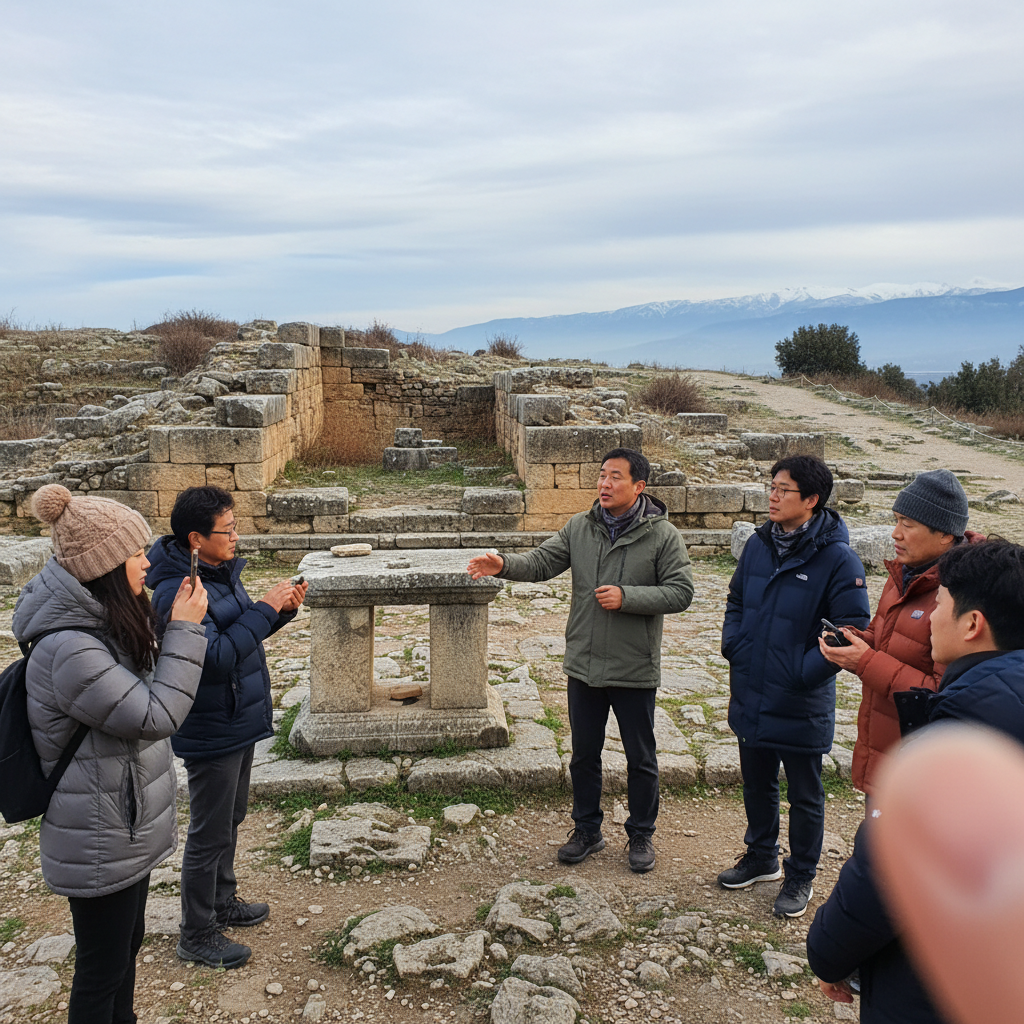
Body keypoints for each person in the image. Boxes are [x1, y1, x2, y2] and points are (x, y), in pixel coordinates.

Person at [12, 484, 209, 1024]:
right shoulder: (69, 648)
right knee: (101, 971)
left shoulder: (101, 621)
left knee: (125, 951)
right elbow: (153, 716)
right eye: (136, 554)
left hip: (120, 824)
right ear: (104, 567)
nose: (147, 563)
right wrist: (188, 632)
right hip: (97, 833)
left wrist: (170, 625)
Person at [807, 538, 1024, 1022]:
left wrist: (828, 953)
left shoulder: (962, 731)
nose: (932, 616)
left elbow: (886, 876)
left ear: (972, 624)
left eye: (941, 604)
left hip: (937, 980)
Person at [468, 448, 693, 873]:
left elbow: (681, 592)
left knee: (640, 757)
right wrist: (503, 564)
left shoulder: (664, 536)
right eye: (601, 476)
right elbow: (541, 562)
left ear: (639, 487)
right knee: (583, 754)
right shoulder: (580, 527)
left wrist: (629, 597)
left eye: (615, 477)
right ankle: (587, 829)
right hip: (584, 665)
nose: (604, 484)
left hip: (633, 667)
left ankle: (641, 833)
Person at [146, 486, 307, 969]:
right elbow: (211, 659)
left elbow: (239, 638)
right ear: (196, 539)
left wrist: (280, 611)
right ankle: (197, 932)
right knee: (209, 831)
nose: (237, 536)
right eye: (228, 530)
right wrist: (263, 608)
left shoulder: (217, 573)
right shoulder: (180, 591)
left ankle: (222, 901)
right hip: (211, 723)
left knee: (230, 819)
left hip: (237, 715)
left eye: (236, 526)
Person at [718, 455, 870, 918]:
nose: (773, 495)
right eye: (772, 486)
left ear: (811, 500)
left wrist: (800, 674)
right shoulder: (760, 545)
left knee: (805, 793)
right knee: (756, 781)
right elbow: (737, 598)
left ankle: (800, 874)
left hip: (800, 697)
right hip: (752, 684)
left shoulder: (838, 558)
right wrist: (735, 645)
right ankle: (761, 856)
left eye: (784, 489)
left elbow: (850, 629)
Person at [818, 469, 981, 798]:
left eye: (908, 524)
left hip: (925, 769)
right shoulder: (903, 575)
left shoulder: (964, 594)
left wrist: (865, 662)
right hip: (884, 748)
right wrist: (855, 640)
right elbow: (882, 636)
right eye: (896, 521)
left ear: (945, 534)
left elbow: (942, 696)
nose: (896, 534)